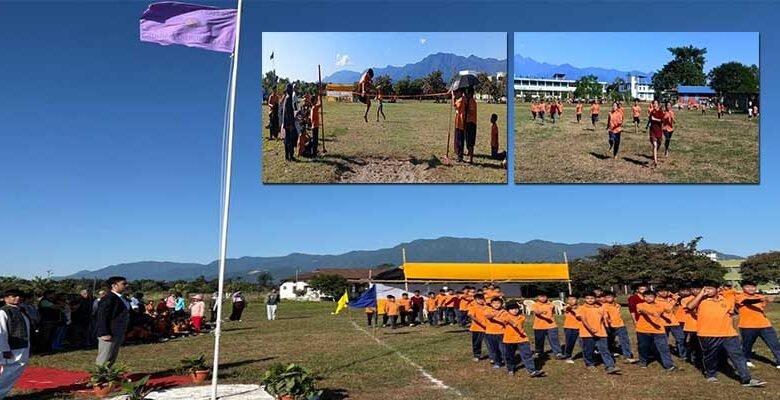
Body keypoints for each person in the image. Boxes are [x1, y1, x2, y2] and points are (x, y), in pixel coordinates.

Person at [686, 281, 766, 387]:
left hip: (728, 334)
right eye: (706, 289)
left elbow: (731, 314)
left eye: (710, 288)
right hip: (707, 334)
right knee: (710, 356)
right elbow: (690, 307)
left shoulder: (726, 301)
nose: (707, 291)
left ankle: (746, 379)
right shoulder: (700, 301)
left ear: (717, 289)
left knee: (737, 355)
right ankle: (711, 374)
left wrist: (732, 328)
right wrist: (701, 294)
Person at [735, 281, 780, 369]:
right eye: (748, 287)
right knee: (747, 345)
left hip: (765, 325)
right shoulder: (740, 296)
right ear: (743, 288)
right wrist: (761, 299)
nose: (751, 289)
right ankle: (746, 359)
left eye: (753, 287)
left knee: (774, 344)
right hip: (747, 326)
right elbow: (747, 302)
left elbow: (762, 305)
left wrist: (769, 299)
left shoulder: (760, 296)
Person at [577, 292, 620, 374]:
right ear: (584, 299)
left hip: (601, 332)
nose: (590, 300)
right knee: (588, 350)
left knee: (604, 349)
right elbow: (583, 319)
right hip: (587, 333)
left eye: (592, 298)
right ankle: (589, 364)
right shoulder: (581, 308)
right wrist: (590, 329)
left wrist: (608, 323)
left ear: (595, 299)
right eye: (588, 298)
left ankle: (610, 366)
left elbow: (604, 318)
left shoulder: (600, 308)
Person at [501, 301, 546, 377]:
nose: (514, 310)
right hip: (509, 339)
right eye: (511, 309)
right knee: (509, 356)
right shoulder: (505, 316)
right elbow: (506, 319)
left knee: (527, 355)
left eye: (516, 308)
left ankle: (532, 371)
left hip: (522, 339)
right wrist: (512, 323)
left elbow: (517, 319)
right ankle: (510, 369)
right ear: (508, 310)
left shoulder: (521, 317)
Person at [635, 291, 676, 370]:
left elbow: (664, 312)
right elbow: (644, 311)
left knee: (664, 347)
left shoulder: (660, 305)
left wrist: (667, 318)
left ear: (655, 297)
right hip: (643, 330)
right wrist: (651, 314)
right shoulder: (640, 305)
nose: (648, 298)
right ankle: (643, 362)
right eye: (646, 296)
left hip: (658, 330)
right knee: (643, 347)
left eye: (650, 296)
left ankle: (669, 365)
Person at [95, 276, 130, 366]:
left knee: (112, 357)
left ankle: (109, 376)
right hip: (109, 332)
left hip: (118, 332)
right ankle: (100, 377)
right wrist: (104, 332)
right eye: (124, 284)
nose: (127, 285)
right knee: (104, 357)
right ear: (114, 285)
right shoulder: (109, 298)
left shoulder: (122, 298)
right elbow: (102, 316)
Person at [602, 291, 637, 363]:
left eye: (609, 297)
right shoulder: (604, 306)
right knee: (609, 340)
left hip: (620, 325)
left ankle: (627, 356)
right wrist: (607, 325)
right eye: (606, 297)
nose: (607, 299)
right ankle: (609, 353)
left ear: (614, 298)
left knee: (625, 340)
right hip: (610, 326)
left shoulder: (618, 305)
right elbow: (605, 316)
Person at [530, 293, 564, 359]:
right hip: (539, 326)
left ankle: (558, 353)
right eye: (540, 297)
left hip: (551, 325)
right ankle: (539, 352)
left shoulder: (551, 304)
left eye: (544, 296)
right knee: (539, 340)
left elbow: (553, 311)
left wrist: (547, 317)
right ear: (537, 297)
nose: (542, 298)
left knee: (554, 339)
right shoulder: (535, 305)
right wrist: (541, 314)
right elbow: (535, 312)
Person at [657, 287, 686, 359]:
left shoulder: (672, 299)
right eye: (661, 291)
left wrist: (672, 295)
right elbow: (667, 309)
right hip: (663, 323)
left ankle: (683, 355)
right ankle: (663, 354)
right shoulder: (656, 301)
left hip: (674, 322)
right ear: (657, 293)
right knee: (663, 340)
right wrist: (673, 301)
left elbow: (678, 300)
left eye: (665, 291)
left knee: (681, 338)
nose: (663, 293)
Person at [483, 297, 505, 368]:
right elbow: (488, 316)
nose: (496, 305)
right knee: (493, 349)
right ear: (491, 304)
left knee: (503, 349)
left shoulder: (504, 312)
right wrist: (495, 314)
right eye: (494, 303)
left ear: (501, 304)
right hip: (490, 333)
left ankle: (505, 361)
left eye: (498, 303)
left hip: (502, 333)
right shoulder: (488, 310)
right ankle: (497, 362)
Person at [280, 83, 299, 161]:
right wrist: (290, 124)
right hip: (288, 123)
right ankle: (290, 155)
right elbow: (288, 114)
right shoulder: (288, 99)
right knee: (289, 140)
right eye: (291, 89)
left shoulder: (288, 98)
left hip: (287, 123)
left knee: (287, 140)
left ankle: (287, 156)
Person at [467, 293, 488, 361]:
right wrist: (479, 321)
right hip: (476, 328)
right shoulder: (473, 307)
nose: (481, 301)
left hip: (487, 328)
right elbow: (471, 315)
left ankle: (493, 356)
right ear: (475, 300)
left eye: (482, 299)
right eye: (479, 299)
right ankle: (477, 355)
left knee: (489, 343)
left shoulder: (486, 307)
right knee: (477, 343)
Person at [562, 295, 581, 364]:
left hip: (580, 327)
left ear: (577, 300)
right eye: (569, 299)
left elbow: (579, 315)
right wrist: (569, 308)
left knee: (583, 343)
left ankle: (587, 356)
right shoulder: (567, 307)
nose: (571, 301)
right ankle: (568, 356)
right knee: (570, 343)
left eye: (573, 299)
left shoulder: (581, 308)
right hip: (569, 327)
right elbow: (565, 309)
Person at [648, 100, 664, 166]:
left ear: (658, 104)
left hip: (659, 131)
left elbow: (662, 120)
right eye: (653, 103)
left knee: (659, 144)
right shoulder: (652, 112)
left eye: (656, 103)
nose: (654, 105)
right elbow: (650, 120)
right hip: (652, 131)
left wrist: (655, 119)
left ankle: (655, 153)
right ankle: (655, 162)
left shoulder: (660, 112)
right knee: (654, 145)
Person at [464, 87, 478, 164]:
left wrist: (466, 107)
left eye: (467, 93)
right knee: (468, 140)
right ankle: (469, 153)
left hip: (471, 123)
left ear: (470, 93)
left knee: (470, 142)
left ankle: (471, 159)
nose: (466, 94)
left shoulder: (472, 101)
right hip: (468, 123)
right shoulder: (470, 101)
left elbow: (471, 111)